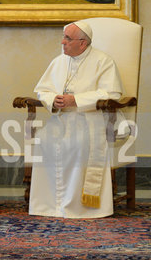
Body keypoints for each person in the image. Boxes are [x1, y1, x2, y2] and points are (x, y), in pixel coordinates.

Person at [30, 21, 123, 218]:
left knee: (78, 143)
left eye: (68, 39)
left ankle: (78, 208)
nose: (62, 42)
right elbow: (42, 90)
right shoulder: (59, 61)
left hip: (90, 119)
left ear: (83, 43)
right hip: (59, 118)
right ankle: (49, 206)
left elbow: (112, 93)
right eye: (64, 37)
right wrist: (52, 100)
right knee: (44, 141)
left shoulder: (103, 61)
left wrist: (77, 100)